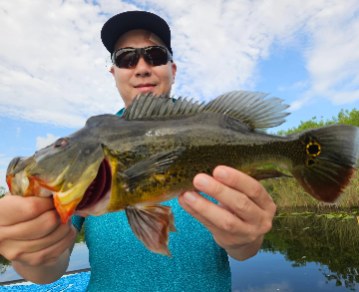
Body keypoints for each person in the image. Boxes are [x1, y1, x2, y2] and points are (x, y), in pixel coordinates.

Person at [0, 11, 276, 291]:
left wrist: (247, 241)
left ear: (173, 69)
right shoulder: (87, 151)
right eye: (126, 58)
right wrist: (33, 254)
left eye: (155, 55)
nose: (142, 67)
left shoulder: (211, 133)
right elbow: (50, 269)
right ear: (114, 73)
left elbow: (243, 250)